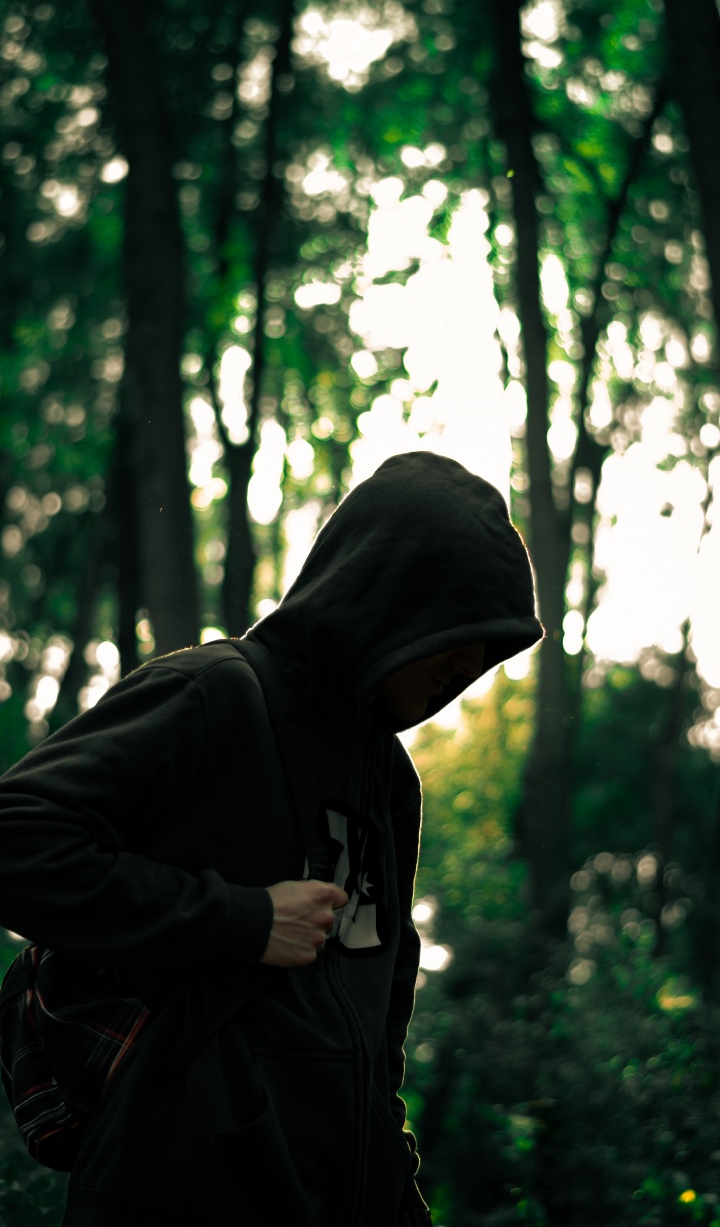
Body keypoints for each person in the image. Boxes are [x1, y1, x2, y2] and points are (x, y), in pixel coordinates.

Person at [0, 451, 543, 1227]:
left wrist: (391, 1190)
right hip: (177, 1187)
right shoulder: (215, 694)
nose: (464, 670)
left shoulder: (389, 782)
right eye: (452, 639)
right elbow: (16, 840)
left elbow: (371, 1028)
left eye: (484, 656)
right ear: (387, 601)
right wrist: (241, 920)